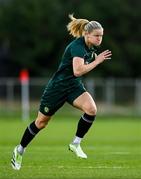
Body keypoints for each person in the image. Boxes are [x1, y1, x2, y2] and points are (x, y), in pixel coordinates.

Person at [11, 14, 112, 170]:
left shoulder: (91, 48)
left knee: (91, 109)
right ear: (86, 34)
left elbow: (77, 75)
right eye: (96, 36)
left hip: (73, 87)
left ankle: (75, 143)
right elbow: (78, 71)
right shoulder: (77, 46)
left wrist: (94, 60)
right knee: (41, 123)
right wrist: (97, 61)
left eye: (101, 36)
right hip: (57, 88)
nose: (99, 39)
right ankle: (19, 150)